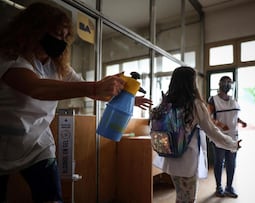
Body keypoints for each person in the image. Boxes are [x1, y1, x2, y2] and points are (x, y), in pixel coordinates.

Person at [0, 2, 152, 203]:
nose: (61, 42)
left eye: (65, 37)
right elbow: (37, 88)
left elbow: (86, 87)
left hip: (38, 144)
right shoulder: (9, 57)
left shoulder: (58, 66)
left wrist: (126, 98)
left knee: (51, 198)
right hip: (3, 143)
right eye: (56, 34)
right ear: (34, 30)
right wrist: (94, 88)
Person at [152, 66, 242, 203]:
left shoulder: (166, 103)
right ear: (192, 82)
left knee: (180, 196)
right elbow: (212, 131)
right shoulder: (195, 105)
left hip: (169, 158)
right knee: (188, 199)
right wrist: (232, 144)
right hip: (187, 160)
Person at [207, 76, 247, 198]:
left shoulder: (233, 99)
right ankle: (219, 187)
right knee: (219, 162)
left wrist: (241, 121)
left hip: (233, 136)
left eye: (229, 82)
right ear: (220, 84)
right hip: (219, 135)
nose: (227, 84)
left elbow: (234, 115)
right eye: (225, 82)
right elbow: (208, 117)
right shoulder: (213, 100)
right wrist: (220, 124)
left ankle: (229, 187)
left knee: (231, 163)